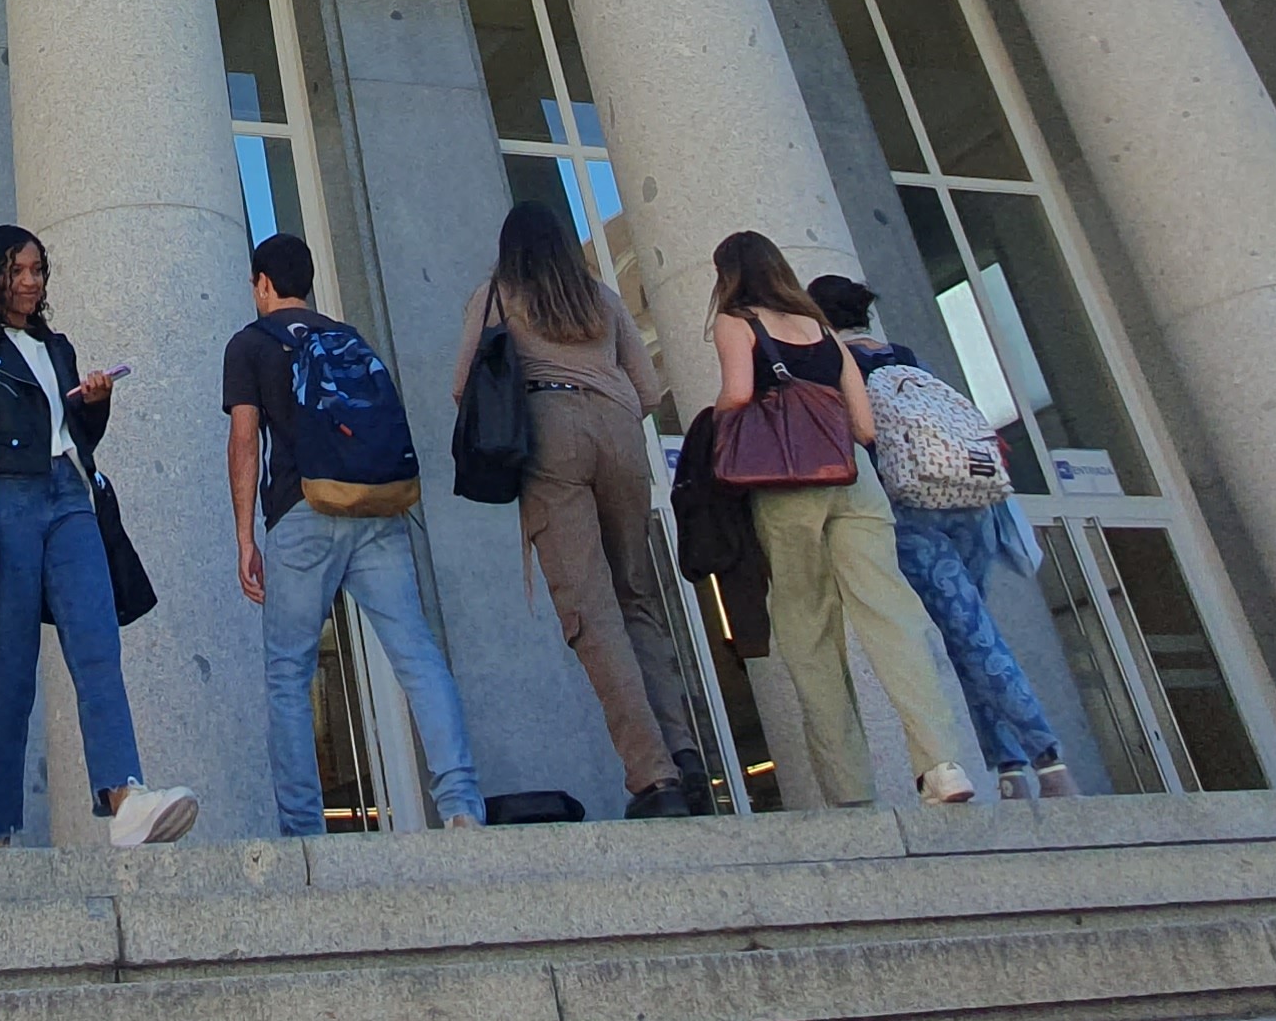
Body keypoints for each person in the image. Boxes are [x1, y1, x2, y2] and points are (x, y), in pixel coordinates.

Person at [0, 223, 195, 849]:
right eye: (16, 271)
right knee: (8, 673)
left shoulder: (58, 348)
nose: (29, 282)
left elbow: (76, 434)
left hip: (71, 496)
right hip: (5, 501)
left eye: (37, 271)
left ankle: (124, 794)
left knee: (99, 646)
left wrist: (96, 404)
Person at [447, 201, 707, 817]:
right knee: (638, 598)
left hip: (548, 430)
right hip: (620, 432)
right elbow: (648, 390)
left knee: (591, 611)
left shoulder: (497, 295)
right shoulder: (600, 298)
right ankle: (687, 753)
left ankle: (654, 777)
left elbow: (463, 385)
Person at [220, 231, 483, 836]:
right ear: (307, 282)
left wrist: (244, 538)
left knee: (289, 673)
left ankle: (304, 831)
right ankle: (462, 805)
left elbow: (244, 440)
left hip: (303, 512)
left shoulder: (251, 344)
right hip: (376, 512)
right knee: (415, 653)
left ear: (262, 283)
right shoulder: (348, 336)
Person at [709, 233, 974, 809]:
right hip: (855, 483)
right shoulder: (821, 327)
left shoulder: (735, 322)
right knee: (892, 618)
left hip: (787, 487)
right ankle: (942, 764)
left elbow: (737, 393)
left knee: (809, 633)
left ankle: (850, 790)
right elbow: (864, 426)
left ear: (726, 274)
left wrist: (723, 424)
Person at [814, 274, 1073, 800]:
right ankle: (1008, 766)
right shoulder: (905, 357)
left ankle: (1048, 759)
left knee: (973, 636)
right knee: (970, 632)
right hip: (968, 503)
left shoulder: (840, 365)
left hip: (911, 511)